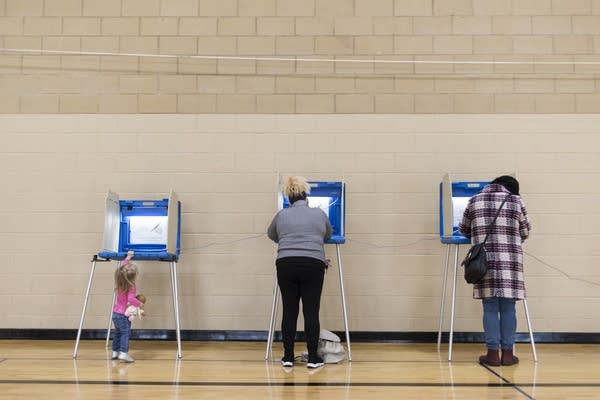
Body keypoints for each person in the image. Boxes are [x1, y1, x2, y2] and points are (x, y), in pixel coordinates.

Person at [459, 175, 531, 366]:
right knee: (508, 307)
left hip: (484, 262)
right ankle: (508, 354)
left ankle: (492, 354)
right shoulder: (516, 201)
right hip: (510, 263)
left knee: (489, 307)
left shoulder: (474, 200)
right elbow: (525, 231)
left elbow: (464, 230)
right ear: (511, 189)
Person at [267, 176, 332, 369]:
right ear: (307, 198)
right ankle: (313, 358)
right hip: (313, 265)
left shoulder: (282, 215)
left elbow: (271, 234)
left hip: (286, 264)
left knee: (289, 310)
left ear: (289, 199)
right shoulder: (319, 214)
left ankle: (288, 357)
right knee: (311, 311)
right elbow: (327, 234)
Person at [111, 251, 143, 363]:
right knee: (126, 333)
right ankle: (124, 353)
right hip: (123, 315)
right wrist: (139, 304)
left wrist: (128, 257)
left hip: (115, 313)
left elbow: (123, 268)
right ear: (132, 277)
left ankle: (115, 352)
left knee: (118, 333)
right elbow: (130, 299)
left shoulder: (119, 282)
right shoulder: (131, 286)